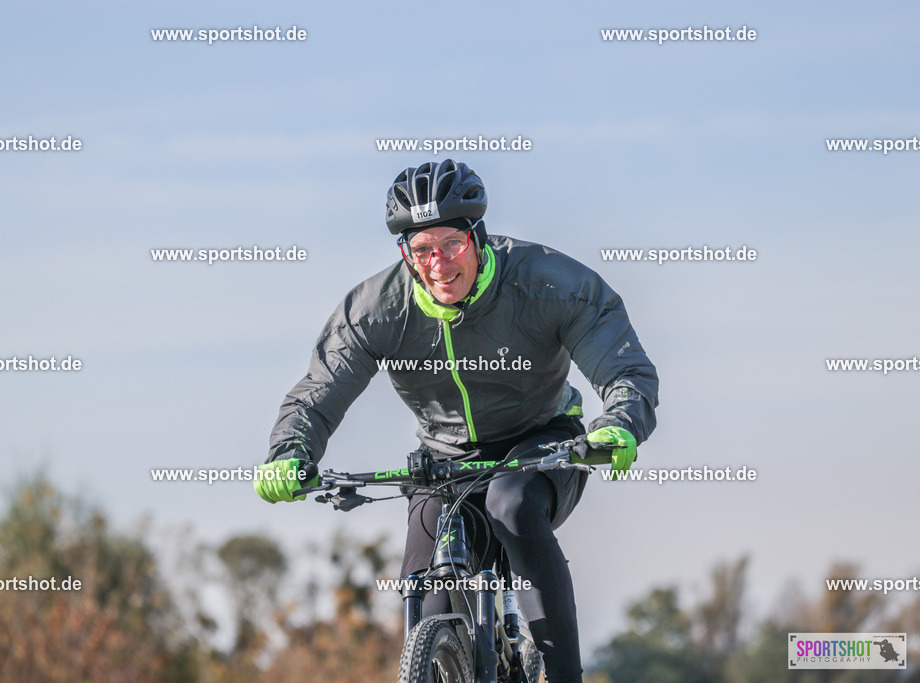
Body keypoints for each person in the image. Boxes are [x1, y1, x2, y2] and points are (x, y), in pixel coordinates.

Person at [255, 159, 658, 681]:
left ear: (477, 237)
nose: (438, 263)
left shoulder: (548, 284)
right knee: (426, 590)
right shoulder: (375, 310)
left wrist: (620, 422)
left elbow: (623, 368)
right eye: (422, 249)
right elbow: (318, 392)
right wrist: (289, 451)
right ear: (405, 253)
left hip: (542, 442)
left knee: (510, 505)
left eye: (451, 244)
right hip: (444, 460)